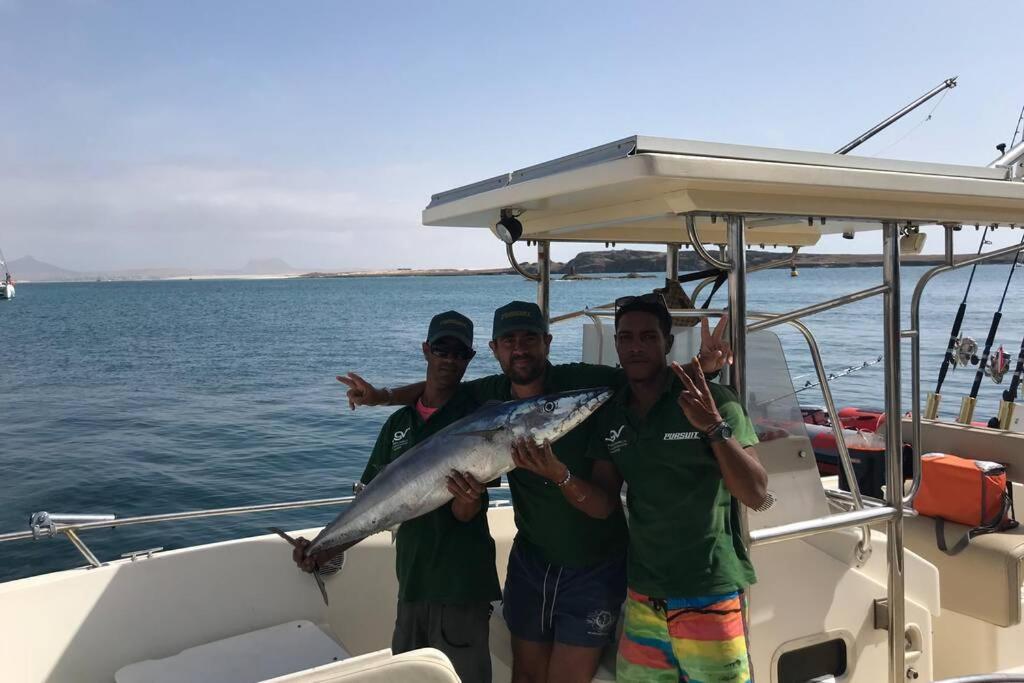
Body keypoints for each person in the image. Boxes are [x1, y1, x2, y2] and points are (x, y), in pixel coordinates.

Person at [338, 299, 738, 683]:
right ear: (495, 349)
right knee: (526, 676)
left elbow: (645, 377)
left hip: (594, 564)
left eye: (530, 338)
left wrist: (703, 366)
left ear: (547, 342)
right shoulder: (491, 393)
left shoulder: (580, 381)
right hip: (531, 562)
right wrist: (382, 397)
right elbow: (437, 391)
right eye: (509, 341)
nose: (520, 349)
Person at [513, 294, 767, 682]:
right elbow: (602, 504)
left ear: (668, 343)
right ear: (615, 344)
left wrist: (714, 428)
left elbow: (756, 494)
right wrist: (559, 474)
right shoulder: (613, 414)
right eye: (626, 337)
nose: (636, 346)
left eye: (648, 337)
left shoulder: (711, 400)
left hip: (709, 589)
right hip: (644, 594)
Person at [293, 311, 500, 683]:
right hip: (412, 583)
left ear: (470, 358)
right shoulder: (398, 425)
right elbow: (372, 506)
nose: (449, 359)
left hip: (461, 586)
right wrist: (325, 547)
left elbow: (470, 508)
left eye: (459, 352)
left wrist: (468, 503)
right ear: (427, 350)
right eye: (442, 349)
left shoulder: (477, 414)